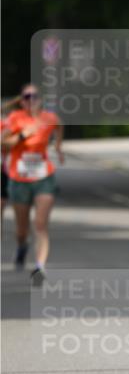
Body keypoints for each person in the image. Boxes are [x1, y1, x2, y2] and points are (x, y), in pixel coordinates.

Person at [0, 85, 63, 284]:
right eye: (27, 97)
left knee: (40, 224)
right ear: (22, 101)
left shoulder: (49, 118)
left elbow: (59, 126)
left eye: (34, 96)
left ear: (40, 99)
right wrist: (22, 135)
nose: (31, 100)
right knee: (22, 230)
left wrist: (58, 147)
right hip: (19, 179)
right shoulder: (15, 118)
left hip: (43, 176)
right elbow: (3, 143)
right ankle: (21, 245)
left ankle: (39, 267)